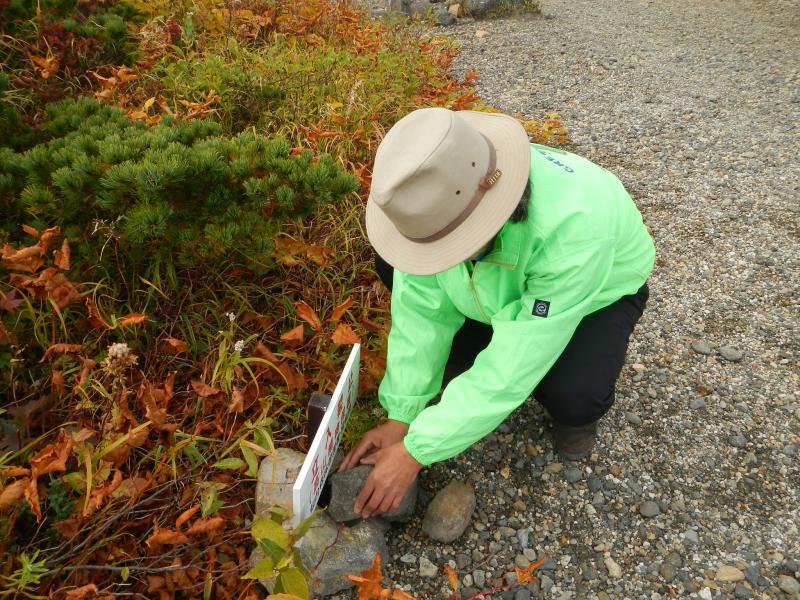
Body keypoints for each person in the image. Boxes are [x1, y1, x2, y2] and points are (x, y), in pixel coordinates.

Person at [338, 107, 655, 518]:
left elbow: (516, 359)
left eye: (452, 242)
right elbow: (421, 310)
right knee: (399, 266)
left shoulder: (575, 232)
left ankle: (573, 407)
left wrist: (417, 451)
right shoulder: (436, 195)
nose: (440, 251)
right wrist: (403, 415)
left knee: (573, 396)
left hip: (596, 296)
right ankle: (467, 377)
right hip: (495, 288)